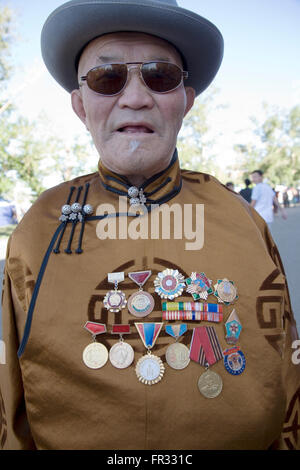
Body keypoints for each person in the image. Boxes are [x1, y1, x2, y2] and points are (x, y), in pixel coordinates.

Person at [1, 0, 299, 451]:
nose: (135, 97)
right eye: (108, 78)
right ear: (81, 106)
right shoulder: (40, 226)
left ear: (185, 100)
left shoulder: (241, 219)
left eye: (159, 76)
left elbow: (287, 373)